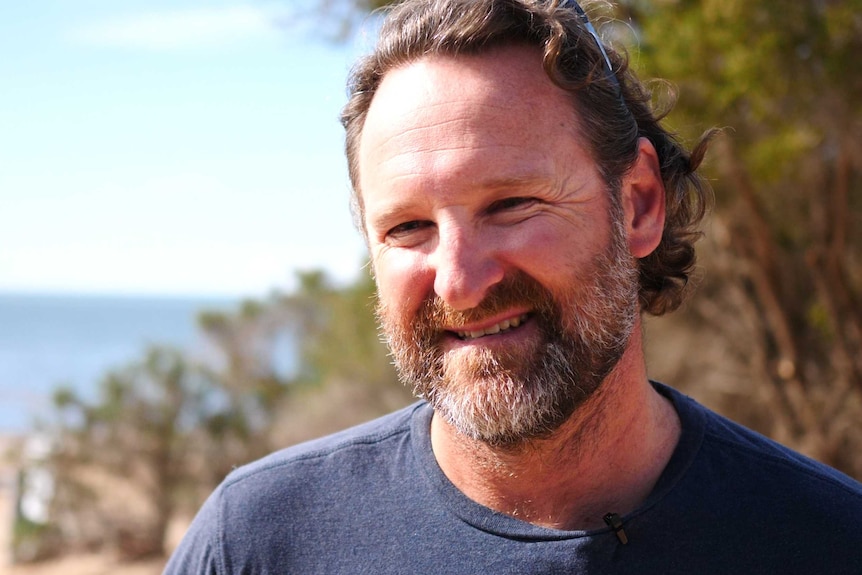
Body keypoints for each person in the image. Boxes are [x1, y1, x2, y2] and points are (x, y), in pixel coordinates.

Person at [164, 0, 862, 572]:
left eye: (511, 206)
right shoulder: (258, 544)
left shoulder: (827, 540)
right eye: (408, 226)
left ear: (640, 203)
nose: (461, 283)